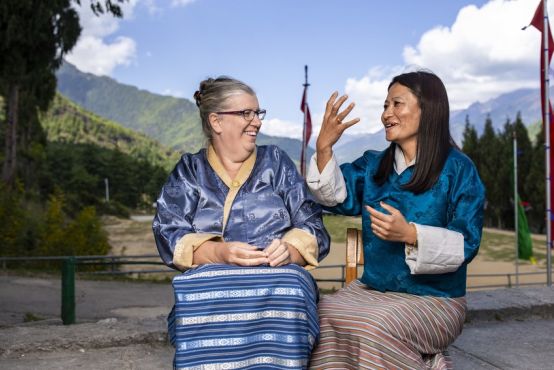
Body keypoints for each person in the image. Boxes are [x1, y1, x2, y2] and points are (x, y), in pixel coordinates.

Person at [306, 70, 485, 369]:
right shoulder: (374, 165)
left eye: (396, 104)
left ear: (427, 109)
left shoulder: (459, 170)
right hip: (373, 290)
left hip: (437, 299)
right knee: (322, 315)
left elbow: (468, 242)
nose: (386, 114)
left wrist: (411, 234)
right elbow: (333, 195)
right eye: (385, 105)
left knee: (374, 327)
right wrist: (324, 148)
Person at [152, 76, 330, 369]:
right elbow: (167, 230)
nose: (256, 122)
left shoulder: (276, 162)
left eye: (257, 113)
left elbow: (312, 224)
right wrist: (219, 253)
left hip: (279, 278)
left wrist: (290, 250)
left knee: (291, 283)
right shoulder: (190, 171)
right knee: (199, 289)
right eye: (245, 113)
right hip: (212, 283)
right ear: (216, 121)